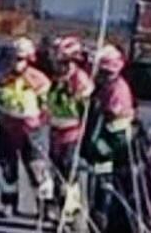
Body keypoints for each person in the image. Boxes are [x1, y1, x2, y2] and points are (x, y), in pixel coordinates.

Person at [0, 37, 53, 219]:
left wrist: (37, 123)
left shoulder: (39, 80)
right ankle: (8, 204)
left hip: (31, 132)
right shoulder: (3, 78)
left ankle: (45, 208)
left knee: (38, 171)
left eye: (18, 59)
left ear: (28, 59)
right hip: (7, 129)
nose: (14, 62)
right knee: (8, 170)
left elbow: (47, 108)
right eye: (11, 58)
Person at [84, 44, 138, 233]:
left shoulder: (117, 91)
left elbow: (116, 135)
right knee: (95, 195)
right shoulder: (105, 87)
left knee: (103, 197)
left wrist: (97, 149)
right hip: (101, 154)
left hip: (110, 157)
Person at [45, 36, 94, 221]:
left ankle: (70, 210)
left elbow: (86, 112)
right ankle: (59, 205)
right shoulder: (58, 79)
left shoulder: (79, 82)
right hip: (55, 132)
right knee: (56, 169)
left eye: (61, 61)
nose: (56, 65)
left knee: (68, 171)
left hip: (71, 134)